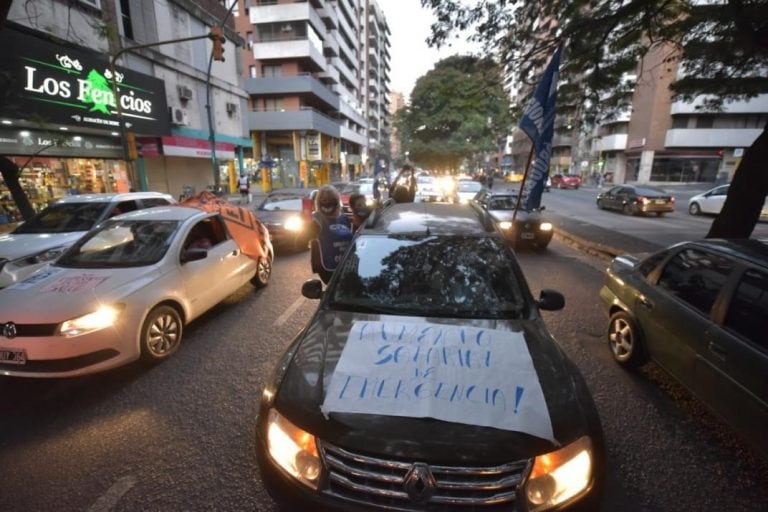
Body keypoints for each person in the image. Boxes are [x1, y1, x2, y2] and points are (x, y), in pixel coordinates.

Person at [308, 185, 353, 283]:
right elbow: (303, 239)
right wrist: (309, 230)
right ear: (318, 201)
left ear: (336, 200)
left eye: (330, 199)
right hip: (328, 266)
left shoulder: (344, 218)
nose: (327, 202)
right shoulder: (316, 218)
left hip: (347, 265)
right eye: (323, 199)